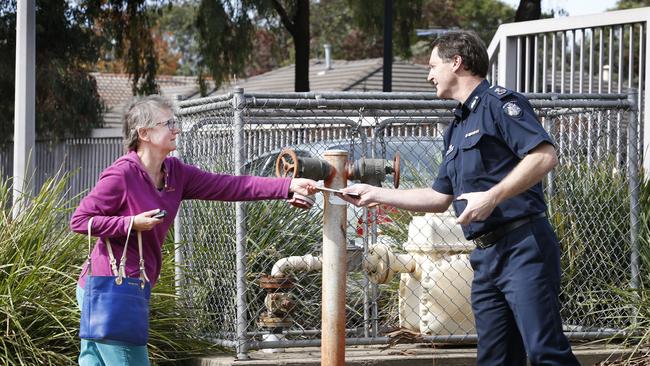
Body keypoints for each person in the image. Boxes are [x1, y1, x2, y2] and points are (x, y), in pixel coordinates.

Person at [340, 31, 580, 366]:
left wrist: (493, 197)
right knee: (494, 359)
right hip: (485, 257)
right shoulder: (456, 126)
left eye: (433, 65)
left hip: (523, 247)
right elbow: (439, 197)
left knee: (544, 352)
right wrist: (374, 194)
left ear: (457, 62)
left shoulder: (500, 104)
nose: (429, 75)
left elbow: (544, 156)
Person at [69, 95, 318, 365]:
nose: (176, 129)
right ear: (144, 133)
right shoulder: (121, 176)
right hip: (110, 288)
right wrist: (130, 223)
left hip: (122, 290)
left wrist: (287, 187)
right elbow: (81, 220)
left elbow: (231, 186)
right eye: (168, 123)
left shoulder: (175, 173)